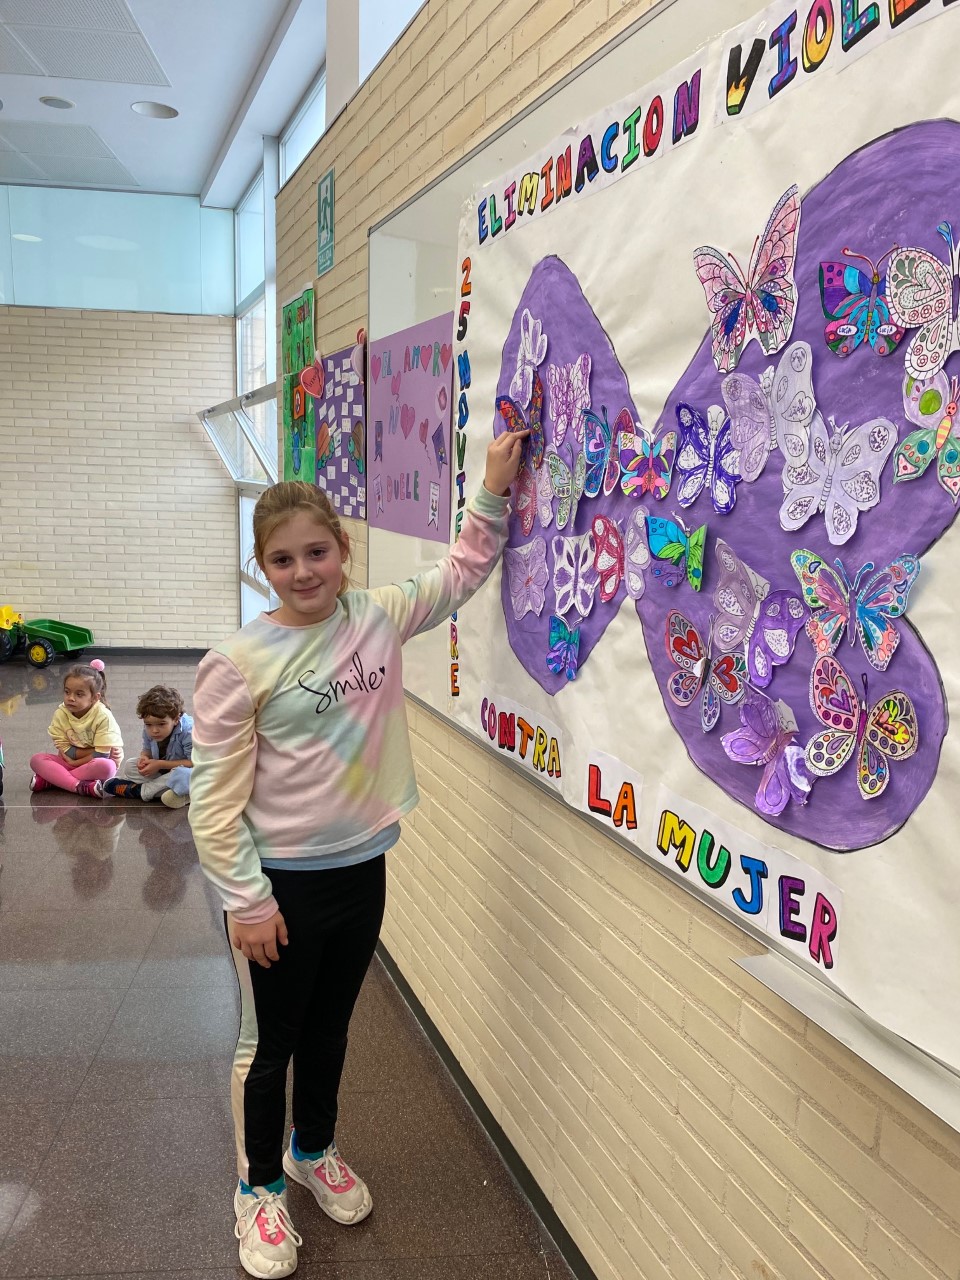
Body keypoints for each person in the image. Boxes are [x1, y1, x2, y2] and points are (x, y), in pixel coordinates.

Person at [188, 430, 527, 1279]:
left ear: (343, 549)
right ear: (263, 567)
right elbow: (212, 803)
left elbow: (462, 571)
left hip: (360, 869)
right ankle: (258, 1189)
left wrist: (491, 489)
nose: (303, 572)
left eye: (317, 552)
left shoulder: (375, 617)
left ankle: (313, 1149)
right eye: (282, 560)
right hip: (277, 889)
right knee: (268, 1045)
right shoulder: (237, 663)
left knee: (332, 1027)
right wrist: (247, 901)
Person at [29, 660, 123, 796]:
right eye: (67, 692)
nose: (71, 698)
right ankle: (79, 786)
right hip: (67, 762)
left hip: (93, 765)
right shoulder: (61, 713)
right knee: (36, 760)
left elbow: (102, 755)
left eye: (79, 694)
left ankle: (53, 780)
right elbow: (64, 748)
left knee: (107, 767)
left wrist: (74, 761)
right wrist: (79, 757)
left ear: (94, 698)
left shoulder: (103, 716)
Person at [95, 684, 193, 809]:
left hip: (187, 772)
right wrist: (144, 758)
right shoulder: (150, 726)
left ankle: (141, 791)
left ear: (176, 719)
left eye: (161, 724)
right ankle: (169, 790)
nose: (154, 730)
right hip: (164, 772)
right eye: (148, 725)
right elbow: (147, 749)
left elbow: (194, 763)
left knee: (182, 774)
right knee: (130, 765)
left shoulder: (189, 731)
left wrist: (160, 764)